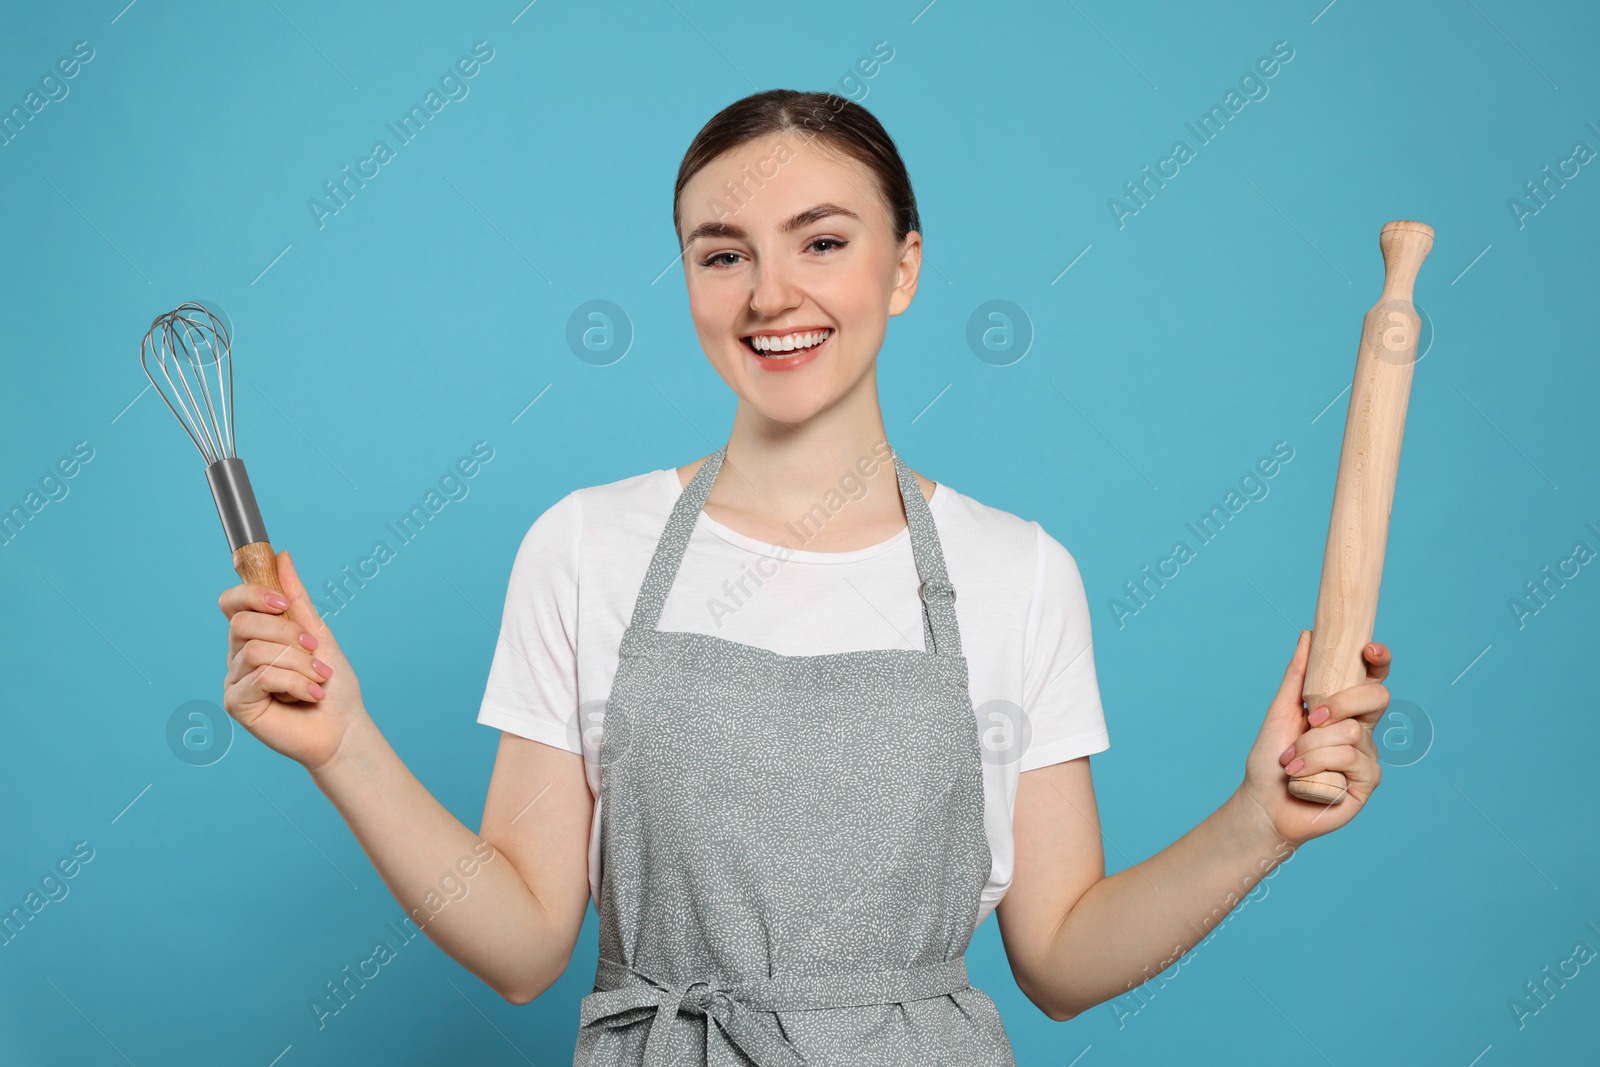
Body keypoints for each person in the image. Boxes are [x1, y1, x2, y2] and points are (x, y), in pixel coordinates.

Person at [218, 89, 1391, 1065]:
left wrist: (1259, 823)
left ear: (904, 267)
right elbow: (526, 944)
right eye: (723, 254)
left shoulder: (1017, 571)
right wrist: (346, 745)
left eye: (822, 242)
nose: (769, 295)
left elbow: (1064, 957)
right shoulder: (585, 545)